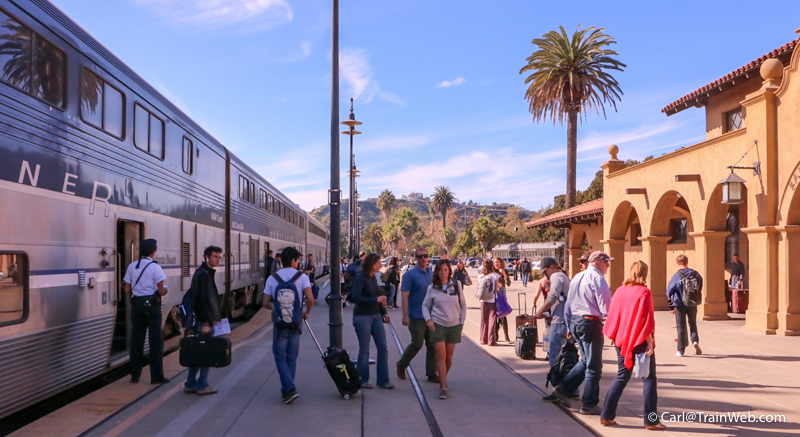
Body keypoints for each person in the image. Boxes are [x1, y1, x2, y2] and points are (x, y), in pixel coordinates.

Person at [600, 261, 665, 430]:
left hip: (621, 339)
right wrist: (650, 342)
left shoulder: (620, 291)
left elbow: (614, 315)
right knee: (649, 379)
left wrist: (615, 335)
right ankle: (651, 421)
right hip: (640, 340)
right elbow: (646, 320)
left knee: (622, 376)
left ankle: (606, 415)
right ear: (645, 273)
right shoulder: (645, 292)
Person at [550, 251, 613, 415]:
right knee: (594, 367)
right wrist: (612, 325)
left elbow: (568, 303)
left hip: (576, 321)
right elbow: (606, 305)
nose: (608, 265)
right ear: (597, 262)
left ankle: (562, 389)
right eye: (606, 262)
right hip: (590, 322)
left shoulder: (577, 277)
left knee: (585, 361)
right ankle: (589, 404)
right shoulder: (598, 278)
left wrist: (569, 325)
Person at [262, 247, 314, 404]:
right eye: (297, 260)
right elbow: (310, 299)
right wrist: (306, 312)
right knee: (292, 357)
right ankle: (289, 389)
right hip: (296, 322)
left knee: (279, 356)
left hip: (280, 324)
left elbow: (265, 302)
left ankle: (288, 389)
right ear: (293, 261)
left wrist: (278, 308)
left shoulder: (273, 278)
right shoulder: (302, 276)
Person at [123, 239, 169, 384]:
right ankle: (156, 376)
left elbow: (126, 290)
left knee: (136, 341)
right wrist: (165, 290)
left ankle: (134, 376)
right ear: (153, 252)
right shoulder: (155, 267)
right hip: (152, 307)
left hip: (137, 306)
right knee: (155, 342)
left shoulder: (132, 266)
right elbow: (161, 291)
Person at [422, 260, 467, 400]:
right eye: (441, 270)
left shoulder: (456, 285)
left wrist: (461, 322)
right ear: (437, 272)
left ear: (449, 271)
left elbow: (463, 305)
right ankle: (443, 386)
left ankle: (443, 377)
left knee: (449, 357)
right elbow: (425, 306)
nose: (443, 272)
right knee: (440, 356)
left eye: (446, 270)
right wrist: (428, 320)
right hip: (438, 325)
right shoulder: (432, 288)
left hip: (454, 325)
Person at [350, 253, 394, 389]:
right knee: (365, 349)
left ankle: (383, 380)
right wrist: (375, 299)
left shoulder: (373, 277)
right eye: (378, 263)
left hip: (375, 315)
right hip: (362, 316)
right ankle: (362, 379)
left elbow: (377, 296)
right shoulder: (360, 277)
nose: (380, 265)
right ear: (371, 264)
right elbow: (355, 297)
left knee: (383, 347)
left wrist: (383, 312)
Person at [184, 246, 223, 395]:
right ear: (207, 257)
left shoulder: (203, 272)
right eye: (215, 257)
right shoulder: (204, 274)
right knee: (206, 353)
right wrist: (206, 322)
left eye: (219, 257)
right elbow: (201, 300)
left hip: (200, 319)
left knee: (196, 352)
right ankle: (203, 385)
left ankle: (190, 383)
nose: (218, 260)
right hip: (203, 321)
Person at [396, 248, 438, 383]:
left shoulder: (432, 275)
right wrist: (405, 316)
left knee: (432, 344)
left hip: (431, 316)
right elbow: (404, 296)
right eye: (420, 257)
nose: (423, 259)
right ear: (416, 259)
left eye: (425, 256)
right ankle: (402, 364)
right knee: (417, 343)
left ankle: (431, 373)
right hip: (416, 315)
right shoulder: (410, 275)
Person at [533, 258, 571, 368]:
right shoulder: (563, 276)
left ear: (552, 267)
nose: (545, 275)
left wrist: (540, 311)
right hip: (563, 319)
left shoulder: (556, 276)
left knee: (554, 356)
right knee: (562, 355)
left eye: (545, 271)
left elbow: (553, 296)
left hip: (559, 320)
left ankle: (557, 377)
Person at [667, 254, 703, 357]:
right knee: (693, 323)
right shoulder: (695, 274)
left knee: (681, 326)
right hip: (692, 303)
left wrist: (672, 300)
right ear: (687, 262)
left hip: (680, 304)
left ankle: (681, 350)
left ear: (678, 263)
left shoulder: (677, 275)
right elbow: (700, 285)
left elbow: (669, 290)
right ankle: (695, 341)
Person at [477, 259, 501, 346]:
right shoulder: (495, 275)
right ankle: (491, 340)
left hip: (483, 300)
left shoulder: (480, 276)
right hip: (492, 300)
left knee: (484, 320)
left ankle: (483, 339)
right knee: (492, 320)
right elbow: (497, 288)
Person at [493, 257, 512, 343]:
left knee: (503, 313)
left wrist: (504, 274)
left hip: (502, 294)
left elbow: (508, 283)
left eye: (497, 262)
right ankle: (496, 334)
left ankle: (505, 335)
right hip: (493, 293)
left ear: (501, 263)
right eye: (494, 262)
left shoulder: (505, 271)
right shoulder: (492, 271)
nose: (496, 264)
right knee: (496, 314)